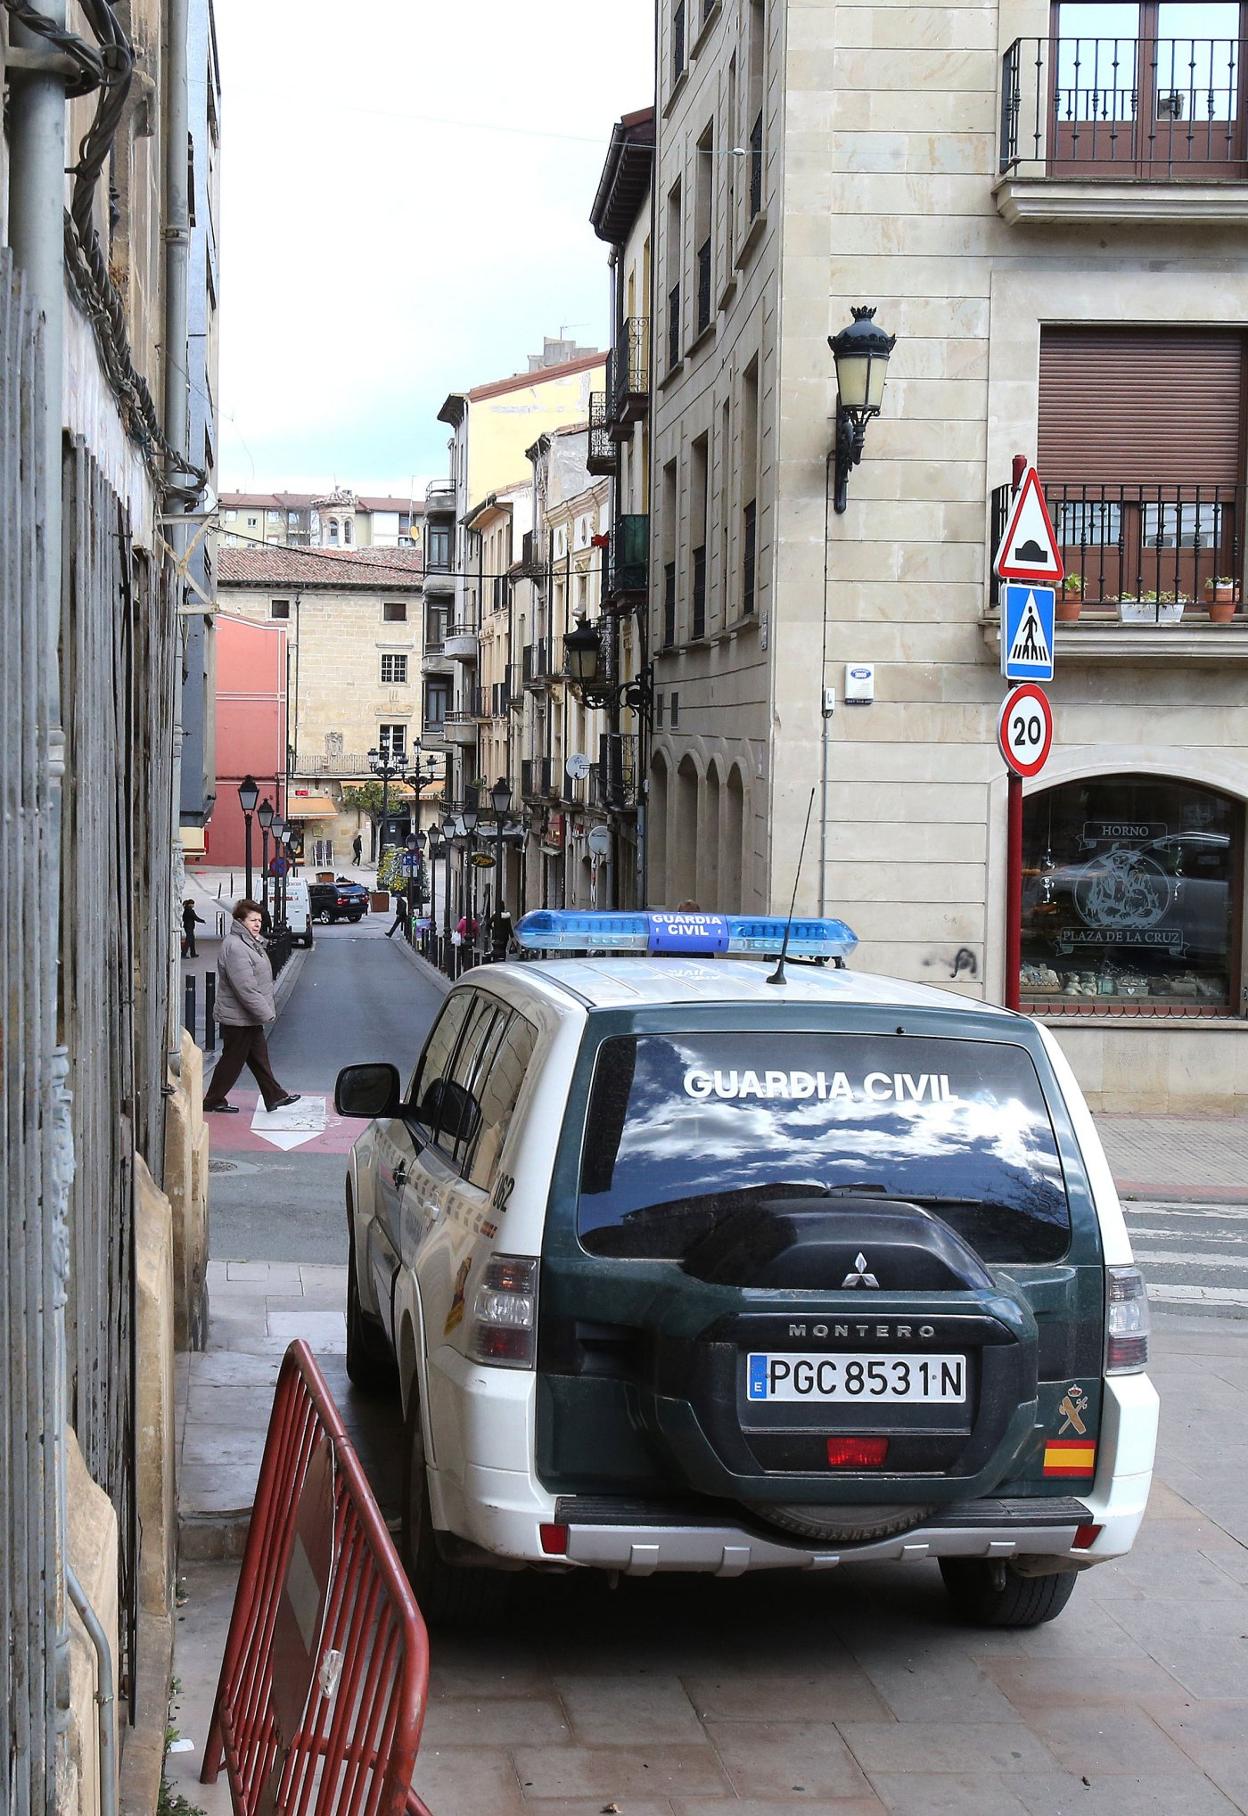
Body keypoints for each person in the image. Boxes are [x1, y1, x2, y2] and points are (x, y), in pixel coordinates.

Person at [203, 900, 301, 1116]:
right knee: (232, 1060)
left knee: (259, 1058)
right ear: (240, 921)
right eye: (252, 920)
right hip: (239, 1017)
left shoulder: (248, 942)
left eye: (259, 920)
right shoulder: (236, 947)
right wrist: (266, 1013)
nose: (257, 924)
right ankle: (212, 1100)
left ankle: (274, 1096)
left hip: (247, 1016)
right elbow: (245, 988)